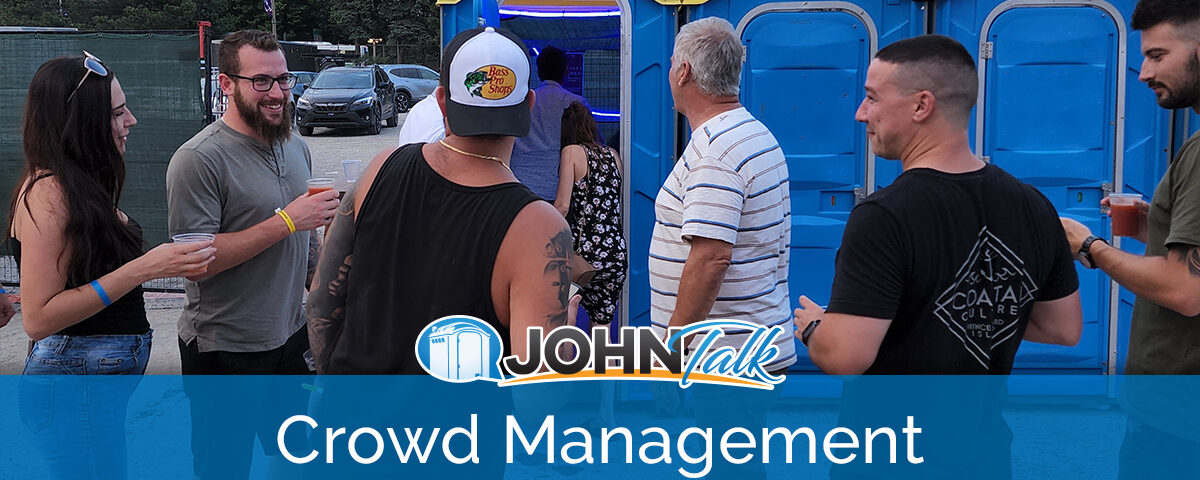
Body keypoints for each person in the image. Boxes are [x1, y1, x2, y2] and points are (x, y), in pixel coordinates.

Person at [791, 34, 1082, 478]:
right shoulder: (1033, 205)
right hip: (985, 457)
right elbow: (1062, 328)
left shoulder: (883, 216)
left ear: (921, 105)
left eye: (871, 98)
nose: (860, 113)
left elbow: (845, 356)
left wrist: (815, 327)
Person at [306, 26, 576, 478]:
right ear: (529, 108)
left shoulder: (381, 168)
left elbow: (321, 301)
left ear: (442, 103)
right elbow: (537, 403)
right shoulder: (540, 228)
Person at [7, 53, 214, 479]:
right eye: (117, 112)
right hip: (70, 391)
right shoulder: (48, 194)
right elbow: (39, 318)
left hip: (85, 391)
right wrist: (145, 267)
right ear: (80, 122)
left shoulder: (79, 185)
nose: (131, 120)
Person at [165, 29, 338, 480]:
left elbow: (304, 242)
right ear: (226, 84)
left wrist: (325, 291)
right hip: (225, 350)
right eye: (261, 82)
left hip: (289, 339)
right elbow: (195, 260)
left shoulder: (294, 145)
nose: (278, 93)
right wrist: (287, 221)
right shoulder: (199, 159)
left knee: (302, 459)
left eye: (284, 80)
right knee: (224, 468)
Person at [1055, 1, 1200, 476]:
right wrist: (1153, 224)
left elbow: (1186, 290)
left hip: (1178, 421)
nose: (1144, 73)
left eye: (1158, 55)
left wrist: (1089, 247)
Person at [648, 17, 793, 479]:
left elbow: (711, 258)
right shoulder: (751, 134)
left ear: (684, 72)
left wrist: (671, 353)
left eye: (672, 63)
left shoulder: (718, 152)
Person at [553, 100, 627, 430]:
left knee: (565, 313)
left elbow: (563, 204)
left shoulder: (570, 152)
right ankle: (606, 415)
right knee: (602, 335)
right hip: (615, 252)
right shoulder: (614, 157)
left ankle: (557, 399)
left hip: (583, 256)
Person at [511, 45, 589, 201]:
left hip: (520, 188)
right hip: (560, 190)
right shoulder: (576, 103)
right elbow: (591, 145)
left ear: (538, 71)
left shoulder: (520, 103)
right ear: (566, 70)